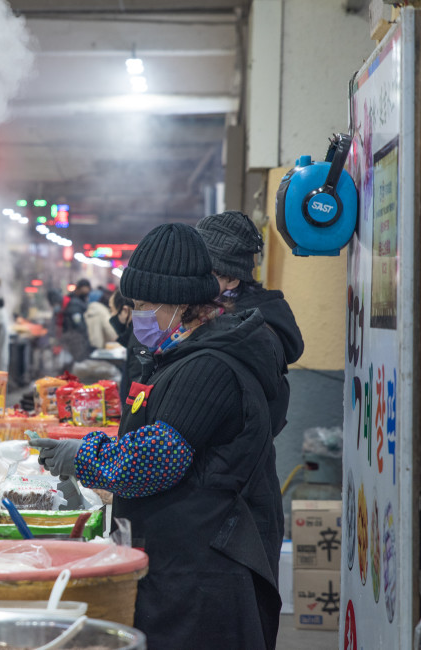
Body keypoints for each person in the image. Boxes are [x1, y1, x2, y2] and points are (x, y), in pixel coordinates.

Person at [30, 223, 284, 650]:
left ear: (181, 304)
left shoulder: (208, 367)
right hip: (185, 560)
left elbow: (156, 458)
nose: (136, 316)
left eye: (144, 305)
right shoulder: (181, 354)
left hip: (205, 574)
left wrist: (84, 457)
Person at [196, 210, 304, 436]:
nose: (194, 280)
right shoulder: (216, 313)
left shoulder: (248, 330)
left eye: (205, 273)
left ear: (232, 280)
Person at [59, 279, 92, 364]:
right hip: (76, 339)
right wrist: (84, 332)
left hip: (77, 338)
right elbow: (77, 321)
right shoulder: (75, 303)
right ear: (79, 289)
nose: (87, 292)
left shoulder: (79, 301)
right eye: (85, 289)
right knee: (77, 363)